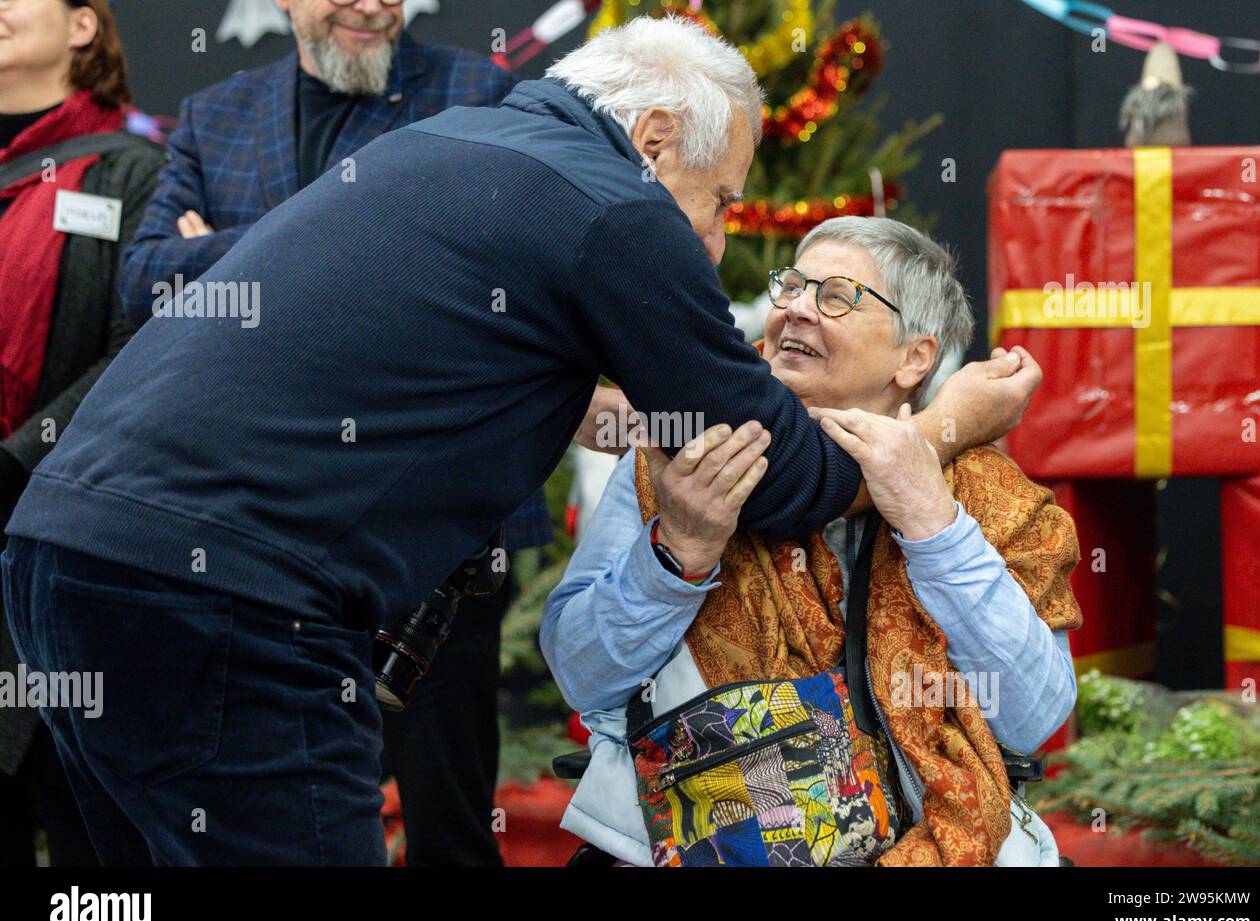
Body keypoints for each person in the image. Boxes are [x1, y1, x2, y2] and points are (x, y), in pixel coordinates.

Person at [2, 16, 1041, 865]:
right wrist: (948, 423)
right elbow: (790, 477)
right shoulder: (613, 205)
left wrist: (557, 391)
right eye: (721, 197)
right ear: (654, 139)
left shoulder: (445, 144)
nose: (718, 239)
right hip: (227, 602)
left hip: (64, 552)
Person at [117, 0, 544, 867]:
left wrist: (232, 255)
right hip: (256, 526)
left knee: (449, 825)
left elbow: (501, 275)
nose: (371, 5)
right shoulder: (218, 114)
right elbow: (147, 280)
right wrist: (335, 254)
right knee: (269, 809)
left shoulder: (479, 94)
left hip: (434, 536)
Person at [542, 217, 1082, 866]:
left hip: (928, 843)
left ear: (915, 357)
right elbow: (581, 675)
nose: (795, 308)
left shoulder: (984, 494)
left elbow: (1034, 716)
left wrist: (933, 526)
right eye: (791, 287)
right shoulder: (683, 465)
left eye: (835, 297)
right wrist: (677, 554)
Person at [0, 0, 164, 866]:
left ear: (83, 27)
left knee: (88, 834)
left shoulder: (134, 172)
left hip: (67, 542)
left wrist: (15, 457)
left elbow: (146, 346)